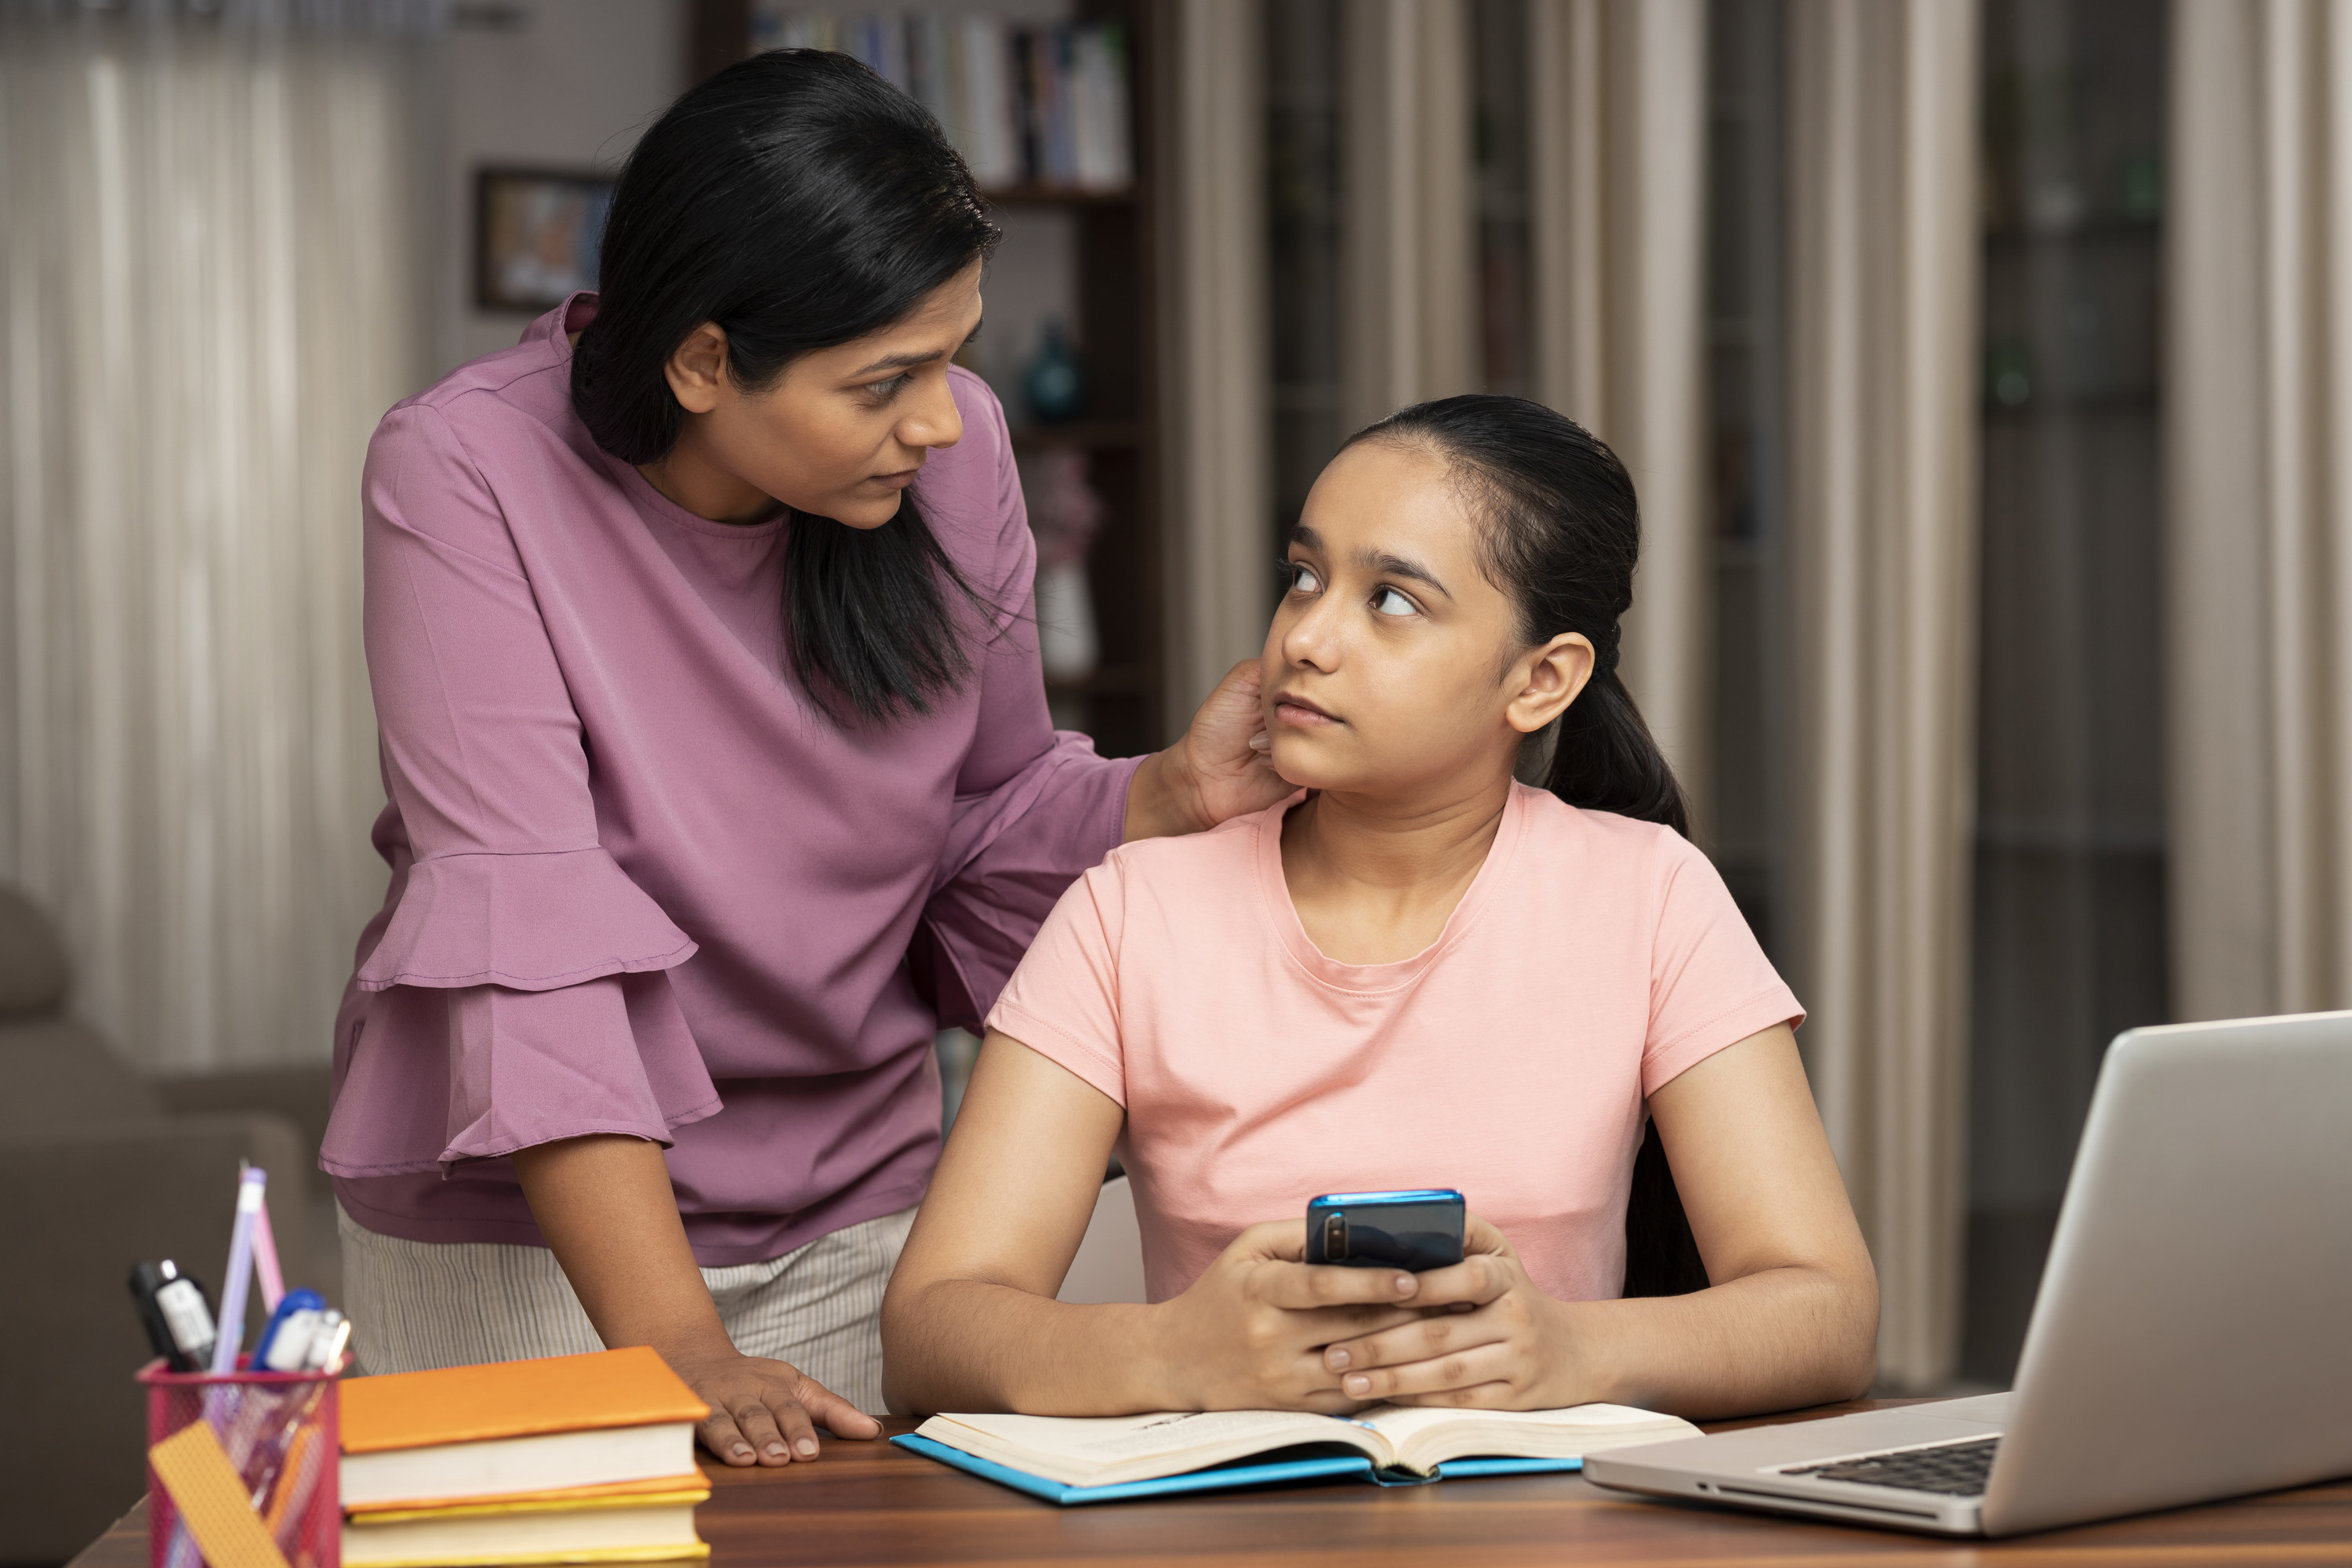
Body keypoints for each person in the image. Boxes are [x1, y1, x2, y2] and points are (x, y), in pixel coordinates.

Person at [320, 50, 1287, 1468]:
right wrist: (685, 1349)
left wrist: (1169, 795)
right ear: (703, 359)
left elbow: (992, 812)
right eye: (887, 379)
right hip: (538, 1244)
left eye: (954, 355)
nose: (943, 418)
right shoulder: (466, 470)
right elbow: (525, 928)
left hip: (865, 1220)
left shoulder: (953, 458)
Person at [881, 396, 1878, 1420]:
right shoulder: (1129, 910)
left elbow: (1826, 1310)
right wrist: (1174, 1355)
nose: (1307, 638)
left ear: (1542, 680)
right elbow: (931, 1329)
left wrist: (1571, 1349)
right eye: (1304, 577)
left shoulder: (1651, 895)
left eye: (1391, 601)